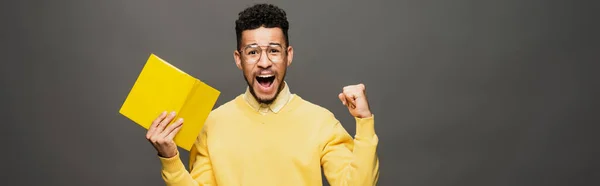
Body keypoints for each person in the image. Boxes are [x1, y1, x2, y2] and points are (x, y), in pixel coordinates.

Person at [145, 3, 379, 186]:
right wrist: (170, 158)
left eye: (274, 51)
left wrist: (364, 122)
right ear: (239, 59)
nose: (264, 62)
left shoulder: (321, 122)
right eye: (253, 52)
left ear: (288, 56)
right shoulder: (211, 124)